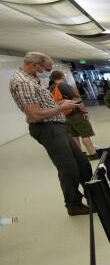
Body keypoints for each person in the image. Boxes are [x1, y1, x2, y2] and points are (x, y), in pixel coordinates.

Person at [10, 52, 92, 216]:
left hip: (57, 126)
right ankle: (73, 204)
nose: (47, 72)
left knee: (82, 164)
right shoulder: (23, 82)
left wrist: (59, 103)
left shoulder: (33, 80)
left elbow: (42, 105)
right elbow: (35, 114)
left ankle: (94, 196)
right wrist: (61, 108)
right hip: (47, 128)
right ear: (35, 65)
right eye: (46, 69)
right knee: (69, 169)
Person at [48, 71, 99, 161]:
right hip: (75, 113)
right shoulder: (64, 85)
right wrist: (84, 112)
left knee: (74, 135)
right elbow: (76, 100)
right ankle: (92, 154)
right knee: (85, 134)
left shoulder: (51, 87)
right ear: (62, 76)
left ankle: (79, 155)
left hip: (64, 115)